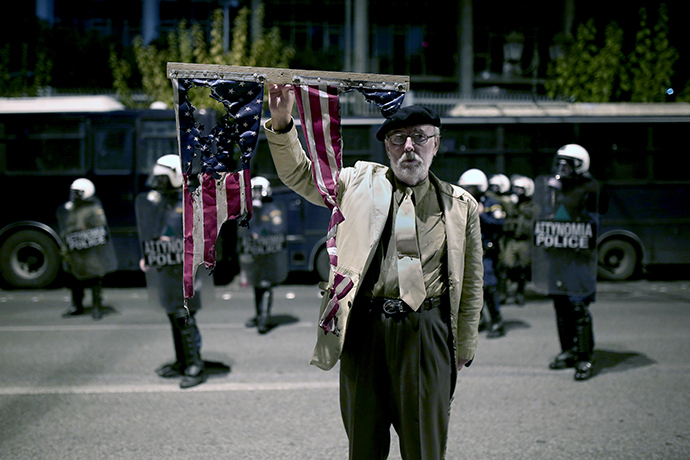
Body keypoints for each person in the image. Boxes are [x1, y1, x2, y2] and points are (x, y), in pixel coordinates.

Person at [264, 84, 484, 460]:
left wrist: (463, 345)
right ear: (387, 147)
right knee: (363, 445)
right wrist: (283, 124)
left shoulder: (461, 206)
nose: (409, 147)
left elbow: (473, 283)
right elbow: (301, 175)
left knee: (425, 448)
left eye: (419, 137)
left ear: (436, 143)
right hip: (363, 329)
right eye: (398, 139)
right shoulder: (355, 183)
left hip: (426, 331)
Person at [135, 154, 217, 389]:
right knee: (174, 314)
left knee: (184, 316)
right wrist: (151, 254)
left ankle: (194, 365)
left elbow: (179, 233)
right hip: (167, 270)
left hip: (185, 272)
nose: (157, 183)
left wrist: (161, 243)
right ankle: (182, 361)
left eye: (162, 178)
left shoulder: (187, 201)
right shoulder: (166, 201)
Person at [533, 144, 601, 381]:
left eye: (567, 163)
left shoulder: (589, 189)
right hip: (557, 257)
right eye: (559, 162)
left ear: (580, 165)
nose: (561, 168)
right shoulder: (556, 188)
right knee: (560, 305)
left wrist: (564, 220)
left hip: (577, 260)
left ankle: (584, 357)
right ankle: (569, 350)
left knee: (577, 307)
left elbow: (591, 225)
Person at [57, 178, 118, 320]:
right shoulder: (72, 208)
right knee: (75, 279)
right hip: (76, 249)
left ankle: (97, 307)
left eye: (76, 193)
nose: (73, 196)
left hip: (90, 250)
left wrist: (83, 229)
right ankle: (77, 305)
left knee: (94, 278)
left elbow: (100, 226)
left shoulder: (93, 208)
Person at [458, 168, 506, 338]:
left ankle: (497, 321)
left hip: (486, 251)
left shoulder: (491, 203)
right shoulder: (462, 202)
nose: (468, 191)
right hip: (467, 251)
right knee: (470, 288)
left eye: (471, 187)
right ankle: (480, 320)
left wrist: (482, 214)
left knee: (489, 286)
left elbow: (499, 223)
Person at [240, 176, 288, 334]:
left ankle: (264, 319)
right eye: (253, 191)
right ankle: (258, 315)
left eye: (258, 190)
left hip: (269, 254)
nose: (255, 194)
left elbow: (277, 228)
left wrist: (261, 235)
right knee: (256, 284)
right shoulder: (251, 210)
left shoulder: (272, 209)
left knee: (266, 285)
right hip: (255, 254)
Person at [500, 175, 535, 305]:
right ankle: (503, 293)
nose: (517, 191)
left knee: (522, 268)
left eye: (520, 189)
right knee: (506, 265)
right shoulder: (511, 203)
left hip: (525, 241)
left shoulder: (532, 205)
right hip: (511, 239)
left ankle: (520, 293)